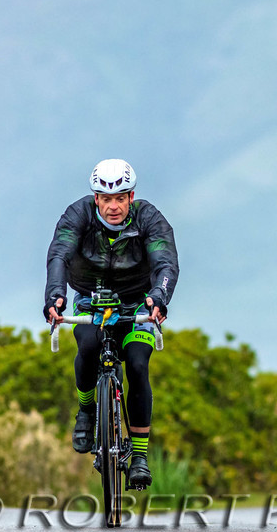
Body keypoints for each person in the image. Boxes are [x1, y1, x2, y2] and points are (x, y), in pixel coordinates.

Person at [44, 159, 179, 489]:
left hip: (138, 303)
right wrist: (55, 297)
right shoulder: (77, 215)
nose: (113, 206)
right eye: (106, 199)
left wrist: (159, 298)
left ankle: (141, 457)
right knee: (88, 346)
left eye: (120, 198)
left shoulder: (149, 218)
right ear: (96, 200)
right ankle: (86, 410)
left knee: (136, 364)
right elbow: (59, 255)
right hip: (92, 299)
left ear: (131, 197)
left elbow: (165, 261)